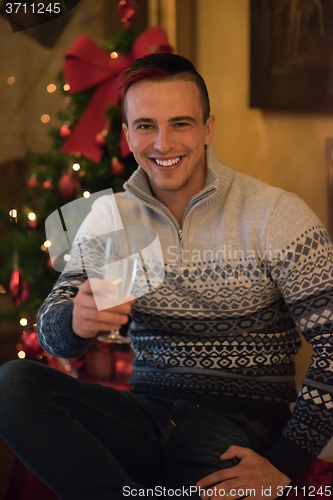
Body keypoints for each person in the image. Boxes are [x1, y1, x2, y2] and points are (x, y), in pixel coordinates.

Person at [0, 53, 333, 500]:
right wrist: (75, 322)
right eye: (145, 126)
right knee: (12, 384)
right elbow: (54, 332)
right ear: (126, 135)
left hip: (238, 427)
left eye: (181, 124)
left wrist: (284, 465)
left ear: (208, 128)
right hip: (143, 415)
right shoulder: (112, 216)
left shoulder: (274, 215)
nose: (163, 143)